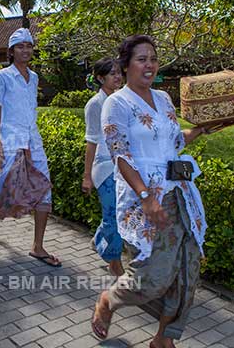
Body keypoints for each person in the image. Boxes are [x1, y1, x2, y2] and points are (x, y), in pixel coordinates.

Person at [91, 35, 209, 347]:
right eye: (142, 59)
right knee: (152, 277)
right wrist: (146, 197)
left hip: (180, 193)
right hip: (145, 198)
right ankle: (109, 299)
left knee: (187, 269)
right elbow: (121, 155)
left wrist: (197, 131)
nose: (150, 64)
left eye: (153, 58)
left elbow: (172, 142)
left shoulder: (164, 98)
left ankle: (163, 339)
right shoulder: (116, 103)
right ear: (125, 65)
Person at [0, 28, 61, 267]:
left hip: (33, 140)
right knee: (11, 188)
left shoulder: (35, 77)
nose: (26, 50)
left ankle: (38, 246)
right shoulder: (2, 77)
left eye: (29, 46)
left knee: (43, 186)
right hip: (10, 139)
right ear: (11, 51)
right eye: (21, 46)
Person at [82, 57, 125, 277]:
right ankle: (114, 261)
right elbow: (91, 141)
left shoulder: (123, 100)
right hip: (104, 166)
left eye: (119, 72)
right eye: (112, 74)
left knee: (120, 212)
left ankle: (100, 238)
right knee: (112, 215)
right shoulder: (95, 104)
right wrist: (87, 176)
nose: (118, 77)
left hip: (124, 166)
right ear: (100, 78)